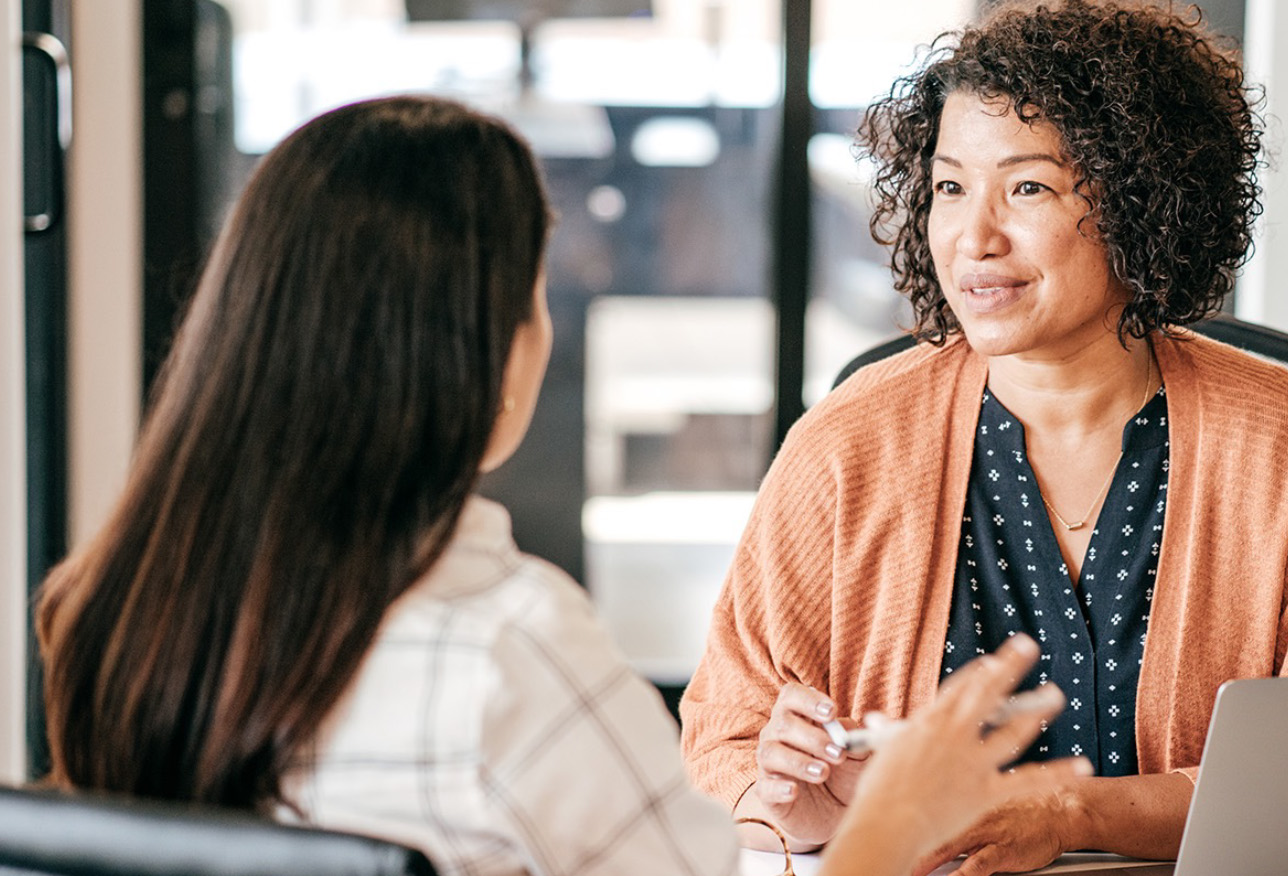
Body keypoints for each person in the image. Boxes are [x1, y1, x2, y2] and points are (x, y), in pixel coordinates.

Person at [32, 95, 1087, 876]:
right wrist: (894, 825)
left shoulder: (116, 613)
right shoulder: (507, 649)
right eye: (536, 296)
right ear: (484, 353)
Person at [678, 1, 1288, 873]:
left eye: (1028, 187)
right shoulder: (849, 444)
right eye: (950, 187)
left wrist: (1075, 812)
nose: (974, 237)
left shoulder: (1284, 444)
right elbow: (719, 755)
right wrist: (800, 808)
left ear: (1141, 200)